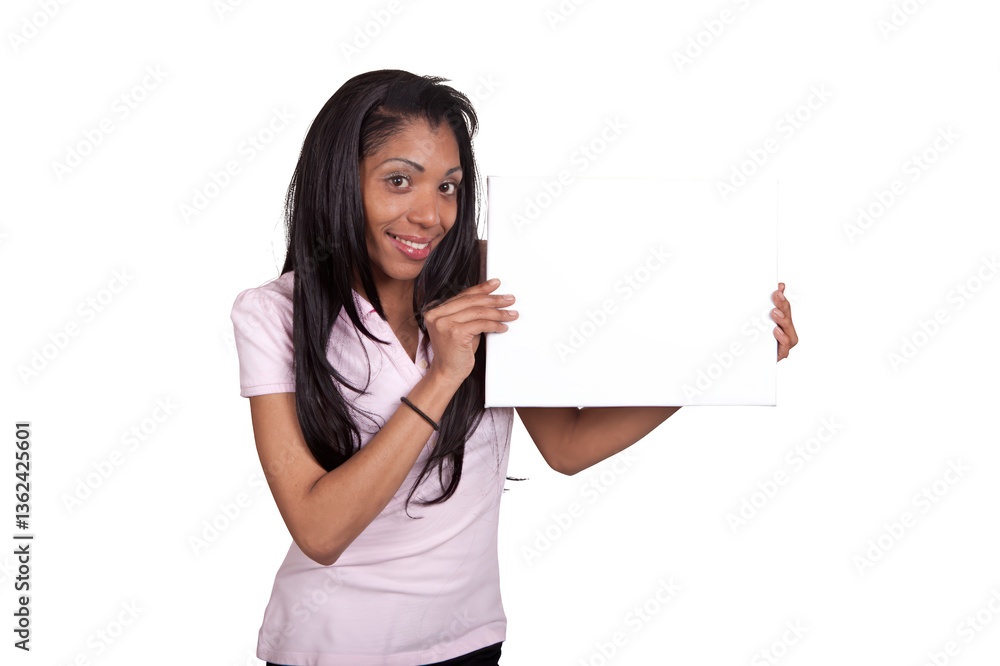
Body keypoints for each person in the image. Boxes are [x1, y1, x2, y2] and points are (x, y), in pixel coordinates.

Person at [230, 69, 799, 666]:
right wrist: (444, 376)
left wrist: (717, 360)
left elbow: (567, 444)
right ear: (340, 181)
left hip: (470, 643)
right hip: (330, 649)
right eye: (399, 181)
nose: (431, 215)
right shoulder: (274, 314)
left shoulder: (488, 276)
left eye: (448, 187)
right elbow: (319, 531)